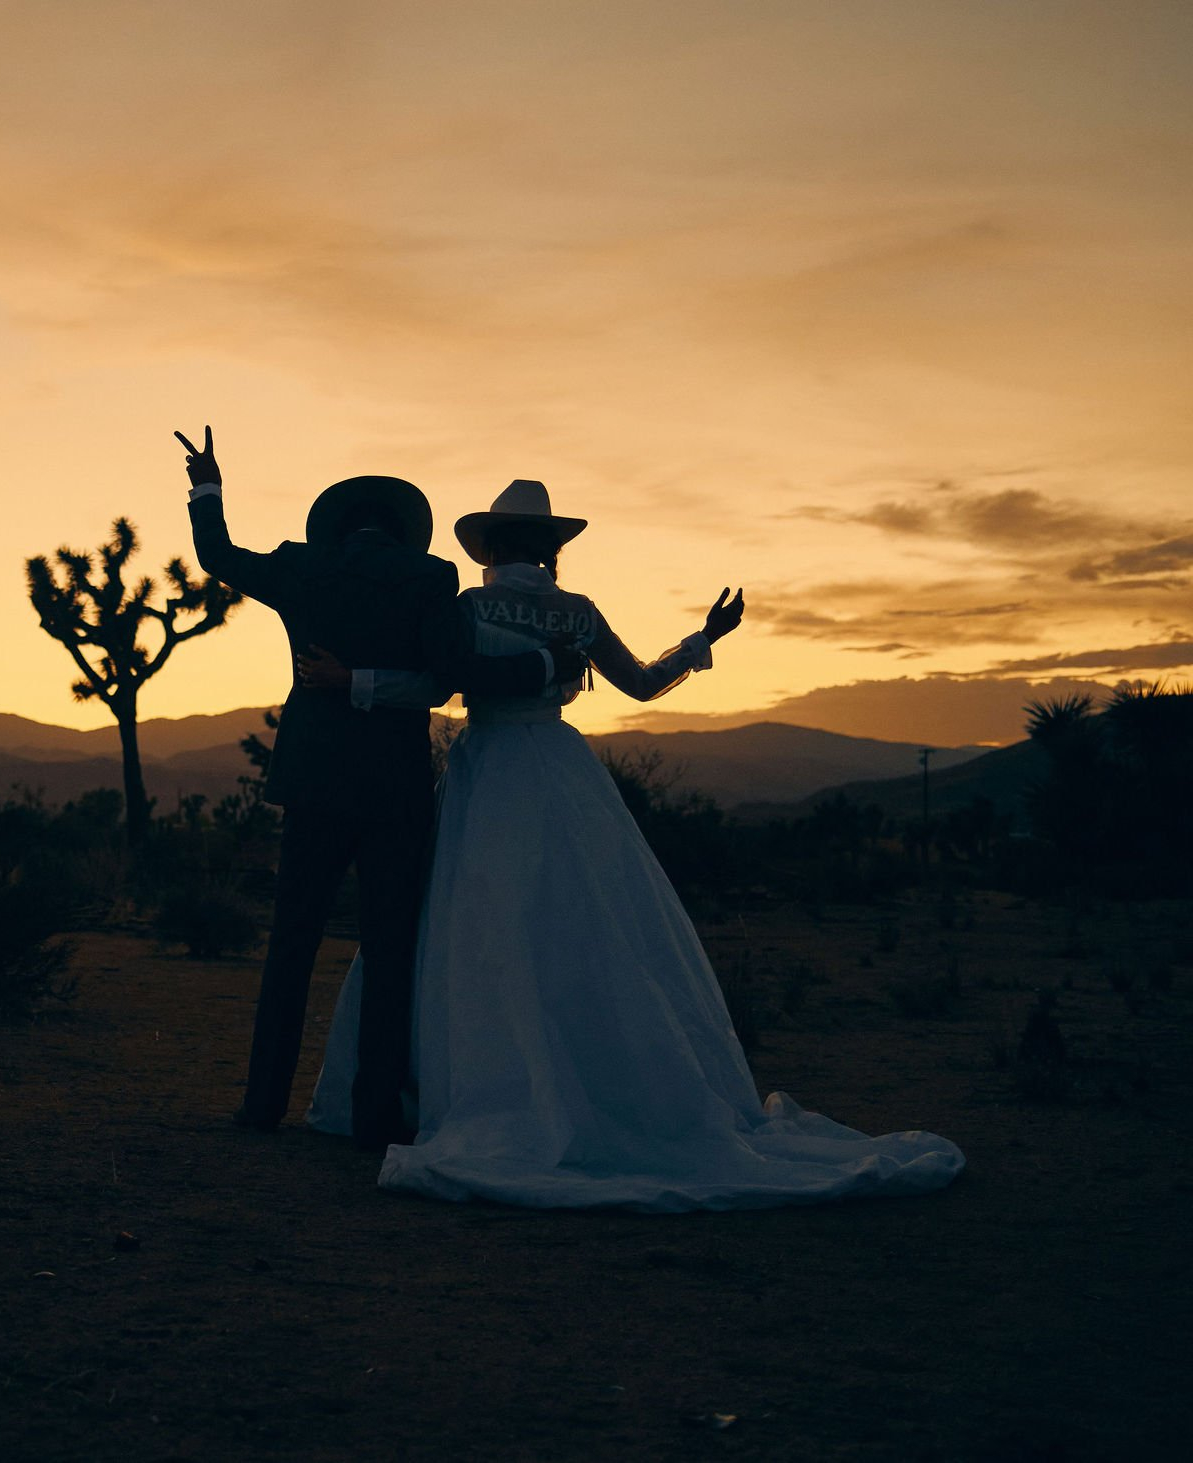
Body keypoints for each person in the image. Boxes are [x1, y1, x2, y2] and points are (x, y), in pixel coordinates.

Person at [301, 479, 965, 1210]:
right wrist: (703, 641)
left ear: (489, 547)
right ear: (552, 548)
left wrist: (354, 681)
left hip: (487, 772)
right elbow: (645, 684)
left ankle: (456, 1084)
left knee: (469, 923)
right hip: (557, 768)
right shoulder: (578, 614)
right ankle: (594, 1080)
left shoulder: (468, 607)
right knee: (584, 926)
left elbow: (434, 682)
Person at [177, 431, 587, 1149]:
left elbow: (217, 557)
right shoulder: (429, 581)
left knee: (292, 944)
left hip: (312, 780)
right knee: (391, 949)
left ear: (337, 524)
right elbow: (459, 672)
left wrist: (207, 486)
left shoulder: (302, 569)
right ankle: (373, 1117)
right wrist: (544, 666)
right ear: (406, 529)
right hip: (396, 787)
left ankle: (262, 1103)